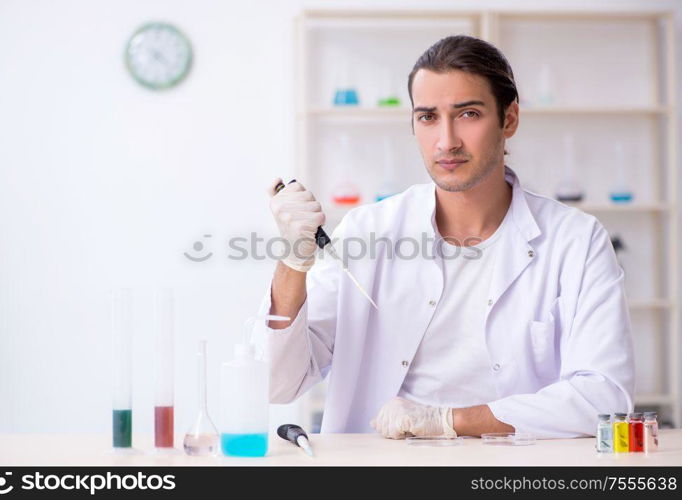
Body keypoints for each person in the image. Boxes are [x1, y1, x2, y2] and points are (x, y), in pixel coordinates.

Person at [257, 35, 634, 439]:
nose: (446, 141)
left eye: (468, 114)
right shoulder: (367, 232)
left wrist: (446, 421)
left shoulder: (576, 240)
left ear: (509, 119)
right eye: (428, 117)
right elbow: (278, 384)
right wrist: (293, 261)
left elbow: (605, 397)